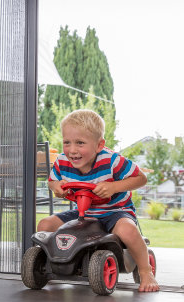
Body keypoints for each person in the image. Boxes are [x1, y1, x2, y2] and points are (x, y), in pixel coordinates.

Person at [37, 109, 159, 292]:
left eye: (80, 143)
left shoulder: (112, 161)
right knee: (45, 225)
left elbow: (141, 178)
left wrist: (114, 187)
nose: (72, 150)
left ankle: (145, 270)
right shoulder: (62, 161)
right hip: (83, 213)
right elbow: (52, 181)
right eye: (67, 142)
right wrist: (56, 187)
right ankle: (49, 264)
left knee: (127, 230)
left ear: (99, 145)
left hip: (115, 211)